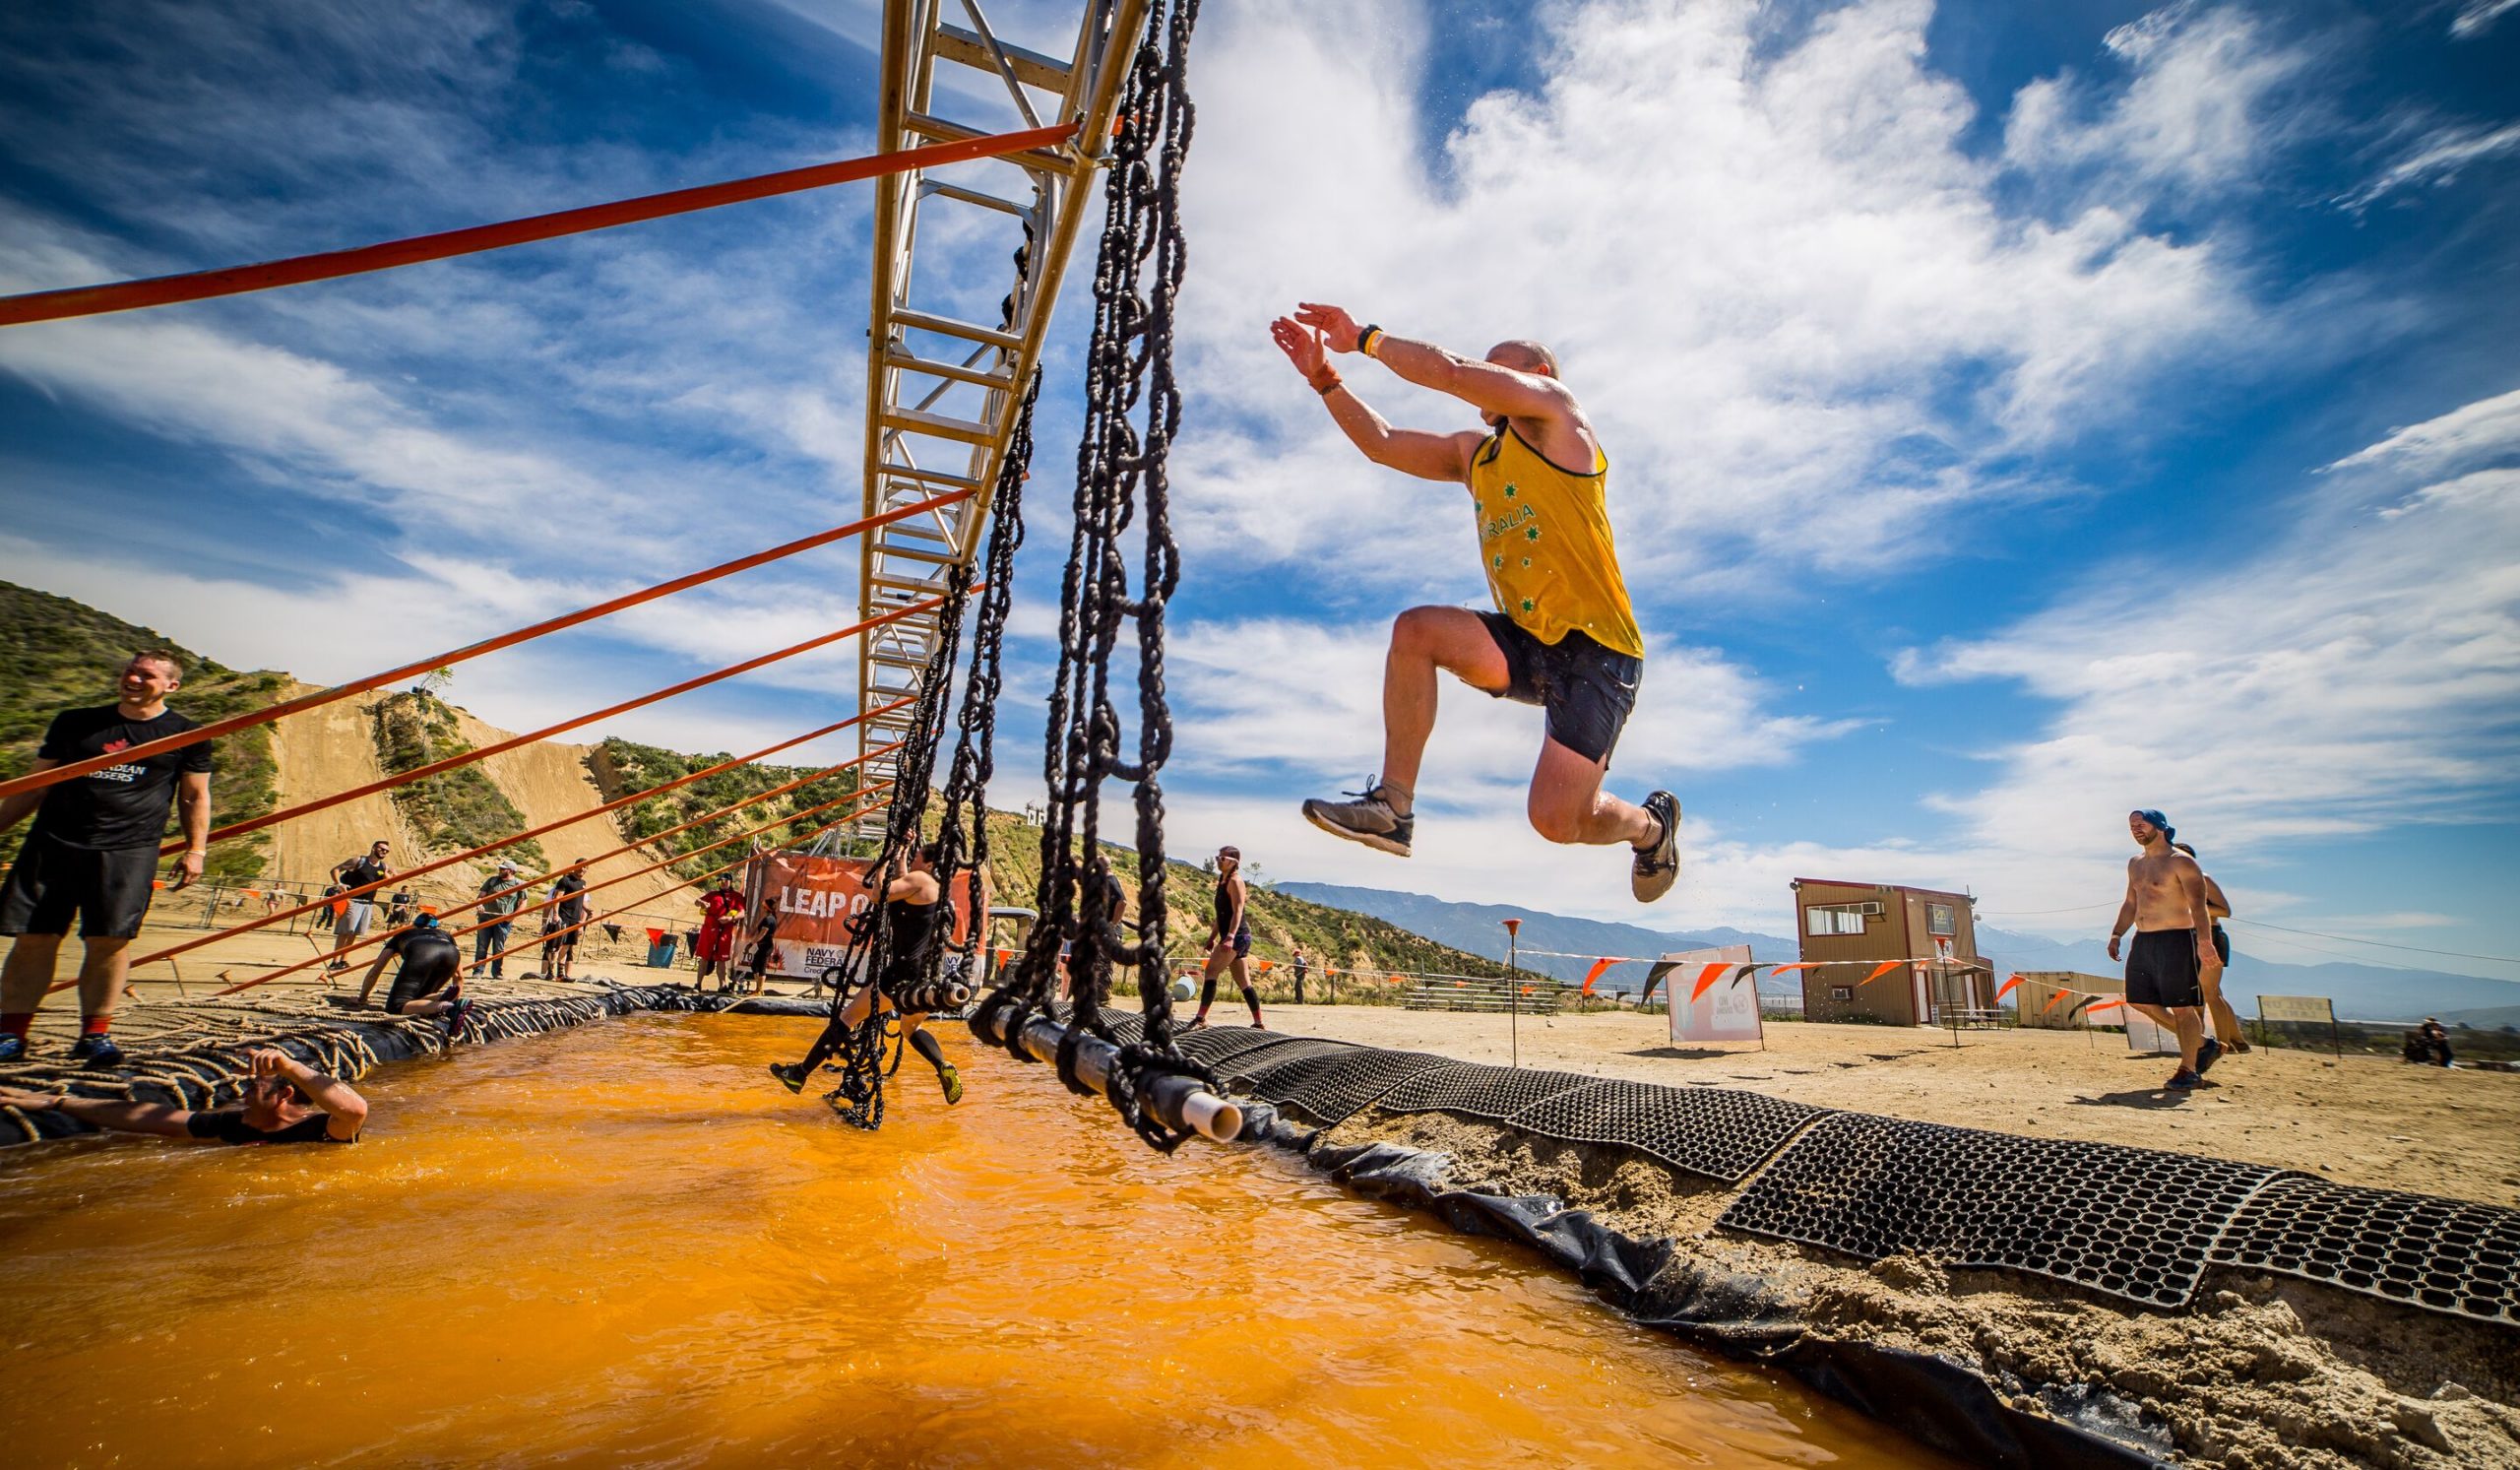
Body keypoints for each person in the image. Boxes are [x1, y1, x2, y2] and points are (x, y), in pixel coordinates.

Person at [1269, 305, 1680, 904]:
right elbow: (1383, 444)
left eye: (1499, 367)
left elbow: (1455, 374)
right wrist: (1326, 380)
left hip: (1600, 652)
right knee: (1417, 631)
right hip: (1528, 642)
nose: (1485, 373)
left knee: (1556, 820)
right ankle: (1393, 807)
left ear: (1537, 375)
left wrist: (1363, 339)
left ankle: (1650, 828)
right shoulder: (1475, 456)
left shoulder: (1560, 417)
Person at [0, 652, 214, 1066]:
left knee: (110, 940)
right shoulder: (74, 722)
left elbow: (194, 795)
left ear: (171, 685)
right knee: (34, 938)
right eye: (129, 671)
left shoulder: (185, 732)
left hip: (129, 848)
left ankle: (95, 1036)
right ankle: (10, 1032)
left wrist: (196, 849)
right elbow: (33, 786)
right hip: (54, 842)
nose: (133, 679)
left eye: (146, 675)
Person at [770, 843, 962, 1106]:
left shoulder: (920, 879)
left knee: (848, 1017)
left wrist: (883, 864)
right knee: (911, 1027)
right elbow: (903, 884)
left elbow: (879, 894)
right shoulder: (936, 890)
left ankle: (799, 1074)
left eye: (918, 857)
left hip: (902, 974)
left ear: (928, 864)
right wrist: (902, 855)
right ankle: (942, 1065)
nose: (914, 861)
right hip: (928, 978)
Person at [0, 1047, 364, 1144]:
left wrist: (289, 1065)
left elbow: (354, 1110)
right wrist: (54, 1102)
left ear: (284, 1094)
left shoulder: (319, 1131)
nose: (243, 1096)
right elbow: (145, 1118)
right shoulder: (235, 1125)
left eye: (253, 1087)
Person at [2106, 809, 2222, 1091]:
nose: (2135, 830)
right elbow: (2131, 903)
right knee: (2139, 1001)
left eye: (2141, 824)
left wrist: (2205, 942)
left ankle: (2189, 1069)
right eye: (2132, 826)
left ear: (2159, 826)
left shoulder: (2182, 863)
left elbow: (2199, 906)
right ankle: (2203, 1044)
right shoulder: (2135, 864)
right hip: (2144, 940)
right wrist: (2117, 933)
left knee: (2182, 1007)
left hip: (2177, 939)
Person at [2170, 841, 2247, 1054]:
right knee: (2199, 995)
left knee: (2210, 993)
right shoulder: (2173, 884)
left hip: (2211, 936)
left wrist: (2194, 906)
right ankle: (2233, 1041)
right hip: (2187, 938)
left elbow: (2225, 910)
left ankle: (2223, 1045)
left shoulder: (2203, 879)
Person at [354, 912, 473, 1035]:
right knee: (418, 1000)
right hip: (451, 953)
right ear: (436, 926)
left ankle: (447, 1007)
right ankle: (448, 999)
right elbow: (459, 975)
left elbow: (376, 970)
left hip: (422, 952)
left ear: (415, 925)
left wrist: (362, 998)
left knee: (397, 1006)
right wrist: (457, 992)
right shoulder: (446, 936)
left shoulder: (403, 934)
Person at [1189, 846, 1264, 1030]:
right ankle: (1259, 1022)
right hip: (1234, 936)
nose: (1218, 861)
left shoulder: (1236, 882)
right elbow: (1221, 915)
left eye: (1222, 859)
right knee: (1244, 982)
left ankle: (1201, 1018)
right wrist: (1212, 937)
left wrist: (1229, 937)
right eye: (1217, 857)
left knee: (1211, 971)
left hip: (1237, 936)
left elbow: (1237, 912)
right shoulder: (1222, 881)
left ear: (1233, 862)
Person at [324, 839, 394, 976]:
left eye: (386, 851)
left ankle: (344, 960)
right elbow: (336, 869)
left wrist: (392, 874)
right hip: (353, 900)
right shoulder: (359, 861)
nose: (383, 852)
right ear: (374, 848)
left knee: (354, 933)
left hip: (367, 903)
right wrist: (339, 884)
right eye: (381, 849)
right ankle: (334, 960)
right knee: (345, 931)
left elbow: (388, 884)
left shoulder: (382, 867)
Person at [470, 860, 525, 979]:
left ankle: (497, 973)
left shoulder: (519, 884)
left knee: (499, 948)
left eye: (503, 869)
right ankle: (478, 971)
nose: (500, 871)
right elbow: (480, 897)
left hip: (503, 921)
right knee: (482, 945)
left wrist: (512, 917)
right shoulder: (492, 881)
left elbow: (523, 903)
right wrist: (479, 904)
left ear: (510, 871)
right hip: (486, 918)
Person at [541, 861, 589, 982]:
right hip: (563, 917)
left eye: (585, 867)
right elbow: (557, 898)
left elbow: (581, 900)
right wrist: (556, 915)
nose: (582, 869)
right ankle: (550, 972)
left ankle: (560, 974)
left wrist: (587, 912)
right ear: (574, 866)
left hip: (575, 918)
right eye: (580, 866)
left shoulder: (583, 883)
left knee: (567, 947)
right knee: (556, 946)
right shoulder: (565, 881)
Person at [694, 876, 743, 986]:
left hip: (725, 931)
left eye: (726, 881)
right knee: (704, 957)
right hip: (709, 929)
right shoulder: (712, 894)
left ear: (731, 881)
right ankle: (698, 984)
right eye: (720, 881)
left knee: (722, 959)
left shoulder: (737, 897)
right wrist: (701, 903)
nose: (723, 883)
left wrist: (730, 918)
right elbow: (697, 902)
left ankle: (722, 985)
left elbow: (742, 912)